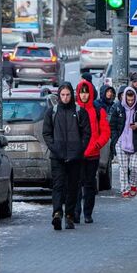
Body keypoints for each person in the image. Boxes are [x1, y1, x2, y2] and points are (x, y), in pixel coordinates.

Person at [42, 83, 91, 230]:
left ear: (72, 95)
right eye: (62, 95)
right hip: (57, 156)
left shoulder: (79, 112)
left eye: (67, 95)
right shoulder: (52, 112)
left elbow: (86, 133)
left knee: (73, 187)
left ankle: (69, 215)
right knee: (58, 185)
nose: (65, 97)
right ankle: (57, 213)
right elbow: (47, 133)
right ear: (59, 95)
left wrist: (79, 150)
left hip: (75, 157)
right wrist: (55, 148)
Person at [73, 80, 110, 224]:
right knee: (75, 185)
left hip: (92, 155)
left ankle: (88, 213)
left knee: (89, 185)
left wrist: (97, 144)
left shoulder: (98, 110)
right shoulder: (74, 110)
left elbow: (105, 132)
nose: (84, 95)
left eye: (86, 92)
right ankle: (75, 212)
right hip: (77, 155)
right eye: (81, 93)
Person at [109, 87, 137, 197]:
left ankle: (133, 185)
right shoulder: (118, 108)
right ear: (124, 98)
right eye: (128, 100)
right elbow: (112, 125)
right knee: (123, 168)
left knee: (134, 167)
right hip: (121, 142)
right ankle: (124, 189)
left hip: (135, 143)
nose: (130, 102)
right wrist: (115, 139)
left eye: (132, 100)